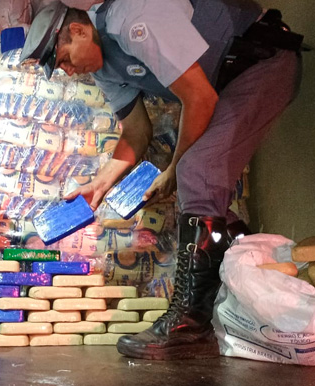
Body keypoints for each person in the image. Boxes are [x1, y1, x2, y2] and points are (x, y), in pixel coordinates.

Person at [22, 0, 303, 360]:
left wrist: (173, 168)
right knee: (202, 186)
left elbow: (200, 97)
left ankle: (189, 321)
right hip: (225, 79)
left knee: (195, 171)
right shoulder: (102, 68)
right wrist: (100, 182)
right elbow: (137, 131)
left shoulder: (132, 19)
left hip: (261, 63)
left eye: (62, 59)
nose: (65, 71)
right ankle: (245, 280)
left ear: (78, 31)